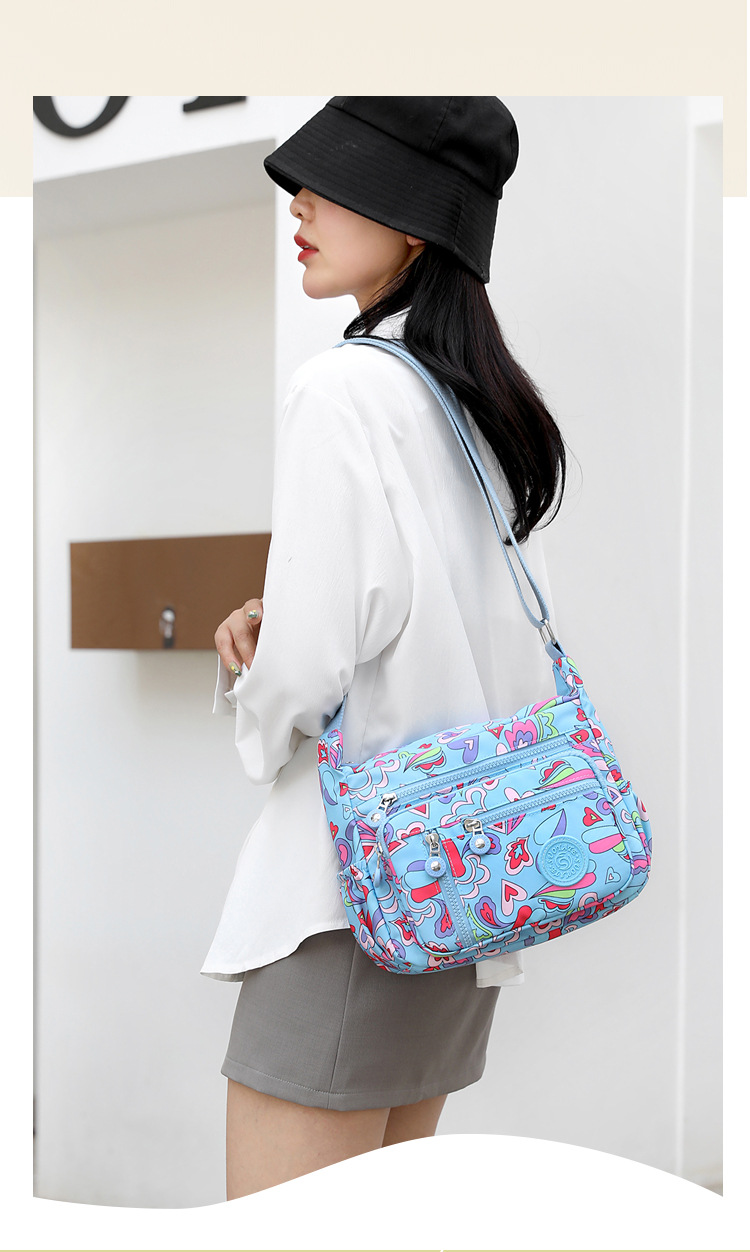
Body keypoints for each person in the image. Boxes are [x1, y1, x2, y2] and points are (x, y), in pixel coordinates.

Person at [204, 97, 569, 1199]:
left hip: (349, 901)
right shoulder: (473, 406)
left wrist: (256, 690)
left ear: (415, 222)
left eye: (334, 184)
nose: (299, 206)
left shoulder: (345, 386)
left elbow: (307, 669)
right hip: (462, 904)